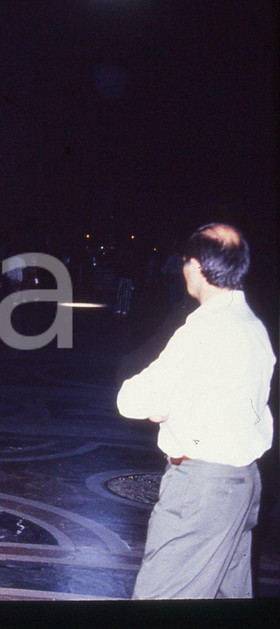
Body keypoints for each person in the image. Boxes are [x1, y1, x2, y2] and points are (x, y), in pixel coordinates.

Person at [117, 223, 275, 599]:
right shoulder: (253, 327)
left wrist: (163, 406)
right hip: (243, 484)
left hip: (201, 490)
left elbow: (132, 400)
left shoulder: (203, 329)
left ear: (195, 267)